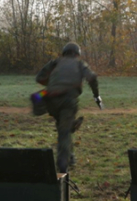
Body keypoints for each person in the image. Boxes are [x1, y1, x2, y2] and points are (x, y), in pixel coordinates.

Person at [36, 42, 101, 174]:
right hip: (68, 101)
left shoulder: (55, 62)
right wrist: (96, 96)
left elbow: (40, 78)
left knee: (62, 128)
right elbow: (92, 77)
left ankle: (70, 156)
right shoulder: (79, 64)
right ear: (77, 54)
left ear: (64, 53)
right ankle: (63, 164)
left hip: (51, 100)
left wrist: (54, 82)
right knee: (65, 132)